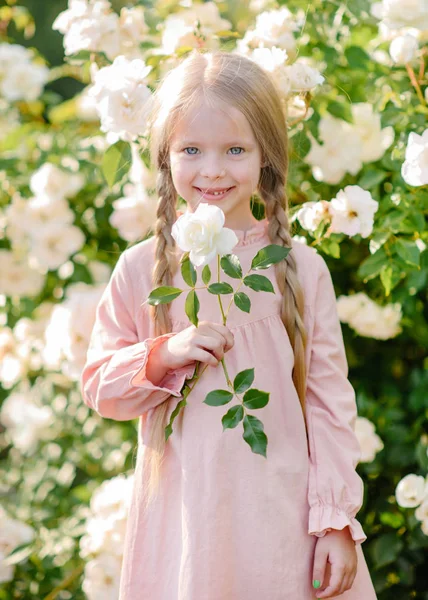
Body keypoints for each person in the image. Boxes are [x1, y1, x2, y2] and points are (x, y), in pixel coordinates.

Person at [81, 49, 378, 600]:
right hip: (188, 523)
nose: (212, 169)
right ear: (165, 156)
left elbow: (329, 401)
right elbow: (101, 388)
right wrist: (166, 351)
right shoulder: (144, 269)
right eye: (191, 149)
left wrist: (335, 520)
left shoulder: (299, 270)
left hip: (284, 521)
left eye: (235, 149)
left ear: (266, 155)